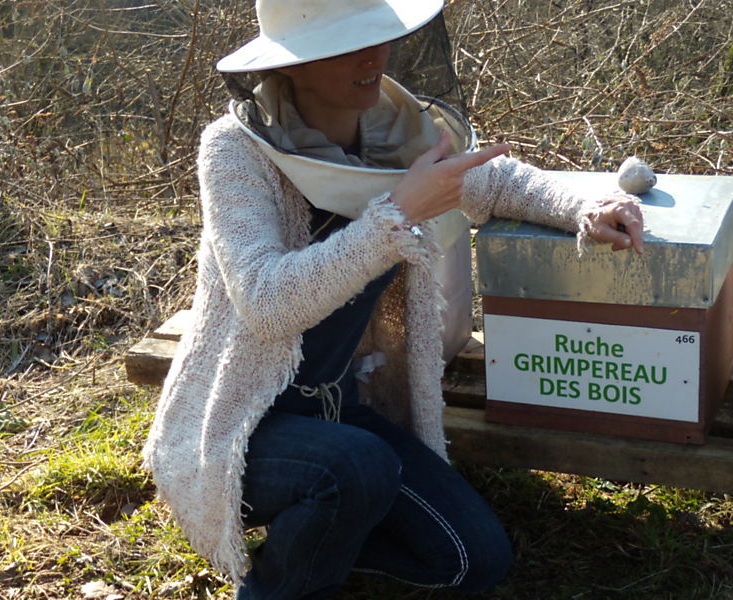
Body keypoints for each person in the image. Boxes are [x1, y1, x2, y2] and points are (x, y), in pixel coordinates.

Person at [142, 1, 645, 598]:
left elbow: (495, 180)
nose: (370, 57)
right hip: (238, 425)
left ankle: (328, 534)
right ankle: (273, 586)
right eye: (341, 44)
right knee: (356, 467)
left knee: (473, 559)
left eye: (377, 36)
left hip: (343, 410)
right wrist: (399, 214)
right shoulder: (235, 148)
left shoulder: (397, 130)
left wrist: (587, 207)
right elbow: (265, 301)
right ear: (290, 66)